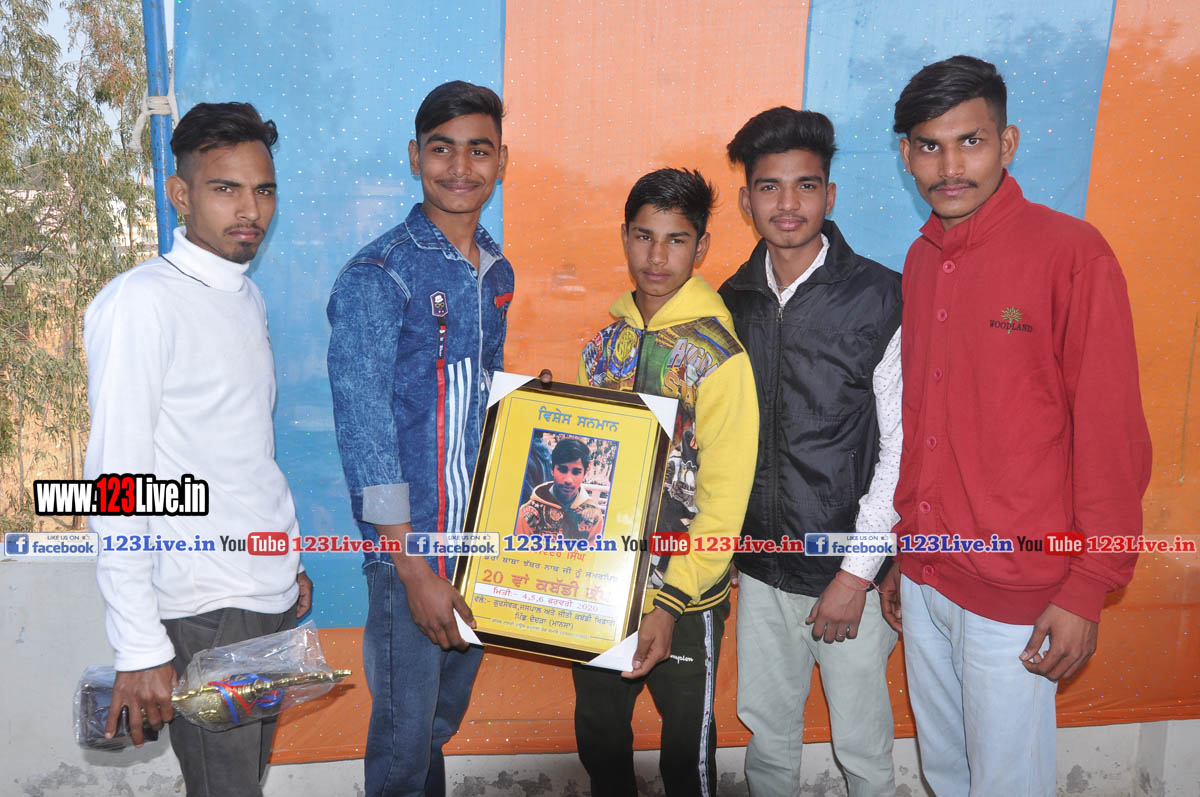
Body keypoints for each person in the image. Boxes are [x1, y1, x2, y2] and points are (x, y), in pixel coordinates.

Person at [879, 55, 1152, 795]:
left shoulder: (1072, 254)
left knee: (1007, 783)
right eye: (930, 146)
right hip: (930, 576)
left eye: (970, 141)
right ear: (906, 155)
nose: (949, 167)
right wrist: (909, 549)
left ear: (1008, 143)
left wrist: (1088, 585)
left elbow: (1112, 437)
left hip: (1019, 589)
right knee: (945, 772)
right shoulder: (922, 259)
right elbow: (922, 422)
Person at [83, 102, 311, 796]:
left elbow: (242, 450)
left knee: (244, 783)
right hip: (205, 609)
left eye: (263, 189)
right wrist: (140, 645)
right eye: (225, 188)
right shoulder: (141, 304)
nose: (250, 209)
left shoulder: (245, 297)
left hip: (263, 594)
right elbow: (116, 481)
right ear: (180, 194)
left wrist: (285, 562)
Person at [326, 80, 514, 797]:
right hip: (412, 551)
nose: (460, 167)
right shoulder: (380, 274)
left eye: (479, 150)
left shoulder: (495, 268)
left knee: (436, 722)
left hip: (478, 547)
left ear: (502, 162)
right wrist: (410, 566)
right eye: (442, 149)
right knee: (403, 745)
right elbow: (365, 425)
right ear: (414, 157)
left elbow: (475, 399)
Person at [718, 108, 903, 796]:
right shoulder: (730, 303)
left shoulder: (882, 297)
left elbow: (902, 448)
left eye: (806, 185)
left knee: (862, 747)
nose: (788, 204)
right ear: (747, 201)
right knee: (768, 740)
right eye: (769, 187)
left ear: (830, 194)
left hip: (847, 569)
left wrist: (857, 575)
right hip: (760, 567)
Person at [575, 168, 759, 796]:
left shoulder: (720, 357)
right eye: (643, 236)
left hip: (685, 598)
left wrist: (672, 599)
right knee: (600, 742)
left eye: (676, 239)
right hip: (601, 591)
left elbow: (725, 498)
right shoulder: (602, 348)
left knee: (687, 760)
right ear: (625, 237)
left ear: (701, 247)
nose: (657, 257)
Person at [516, 437, 605, 542]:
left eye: (576, 472)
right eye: (562, 470)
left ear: (585, 473)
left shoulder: (594, 517)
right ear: (552, 469)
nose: (568, 480)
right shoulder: (528, 513)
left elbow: (592, 551)